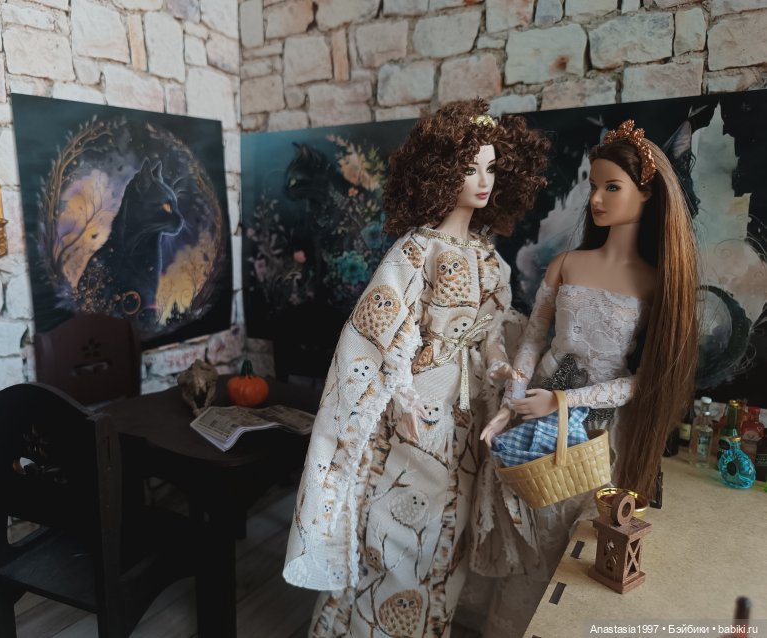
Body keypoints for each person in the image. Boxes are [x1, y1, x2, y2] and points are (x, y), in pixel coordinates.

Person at [281, 98, 550, 637]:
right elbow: (376, 331)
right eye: (470, 167)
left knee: (445, 540)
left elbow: (490, 331)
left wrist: (499, 365)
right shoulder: (416, 250)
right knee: (396, 534)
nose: (483, 181)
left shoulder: (488, 257)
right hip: (419, 410)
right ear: (441, 170)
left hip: (466, 418)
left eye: (491, 168)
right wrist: (402, 397)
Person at [479, 119, 698, 635]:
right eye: (594, 186)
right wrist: (511, 404)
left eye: (612, 187)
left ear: (646, 194)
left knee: (576, 547)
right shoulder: (567, 264)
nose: (596, 199)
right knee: (531, 529)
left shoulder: (657, 282)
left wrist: (564, 403)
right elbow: (533, 340)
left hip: (599, 431)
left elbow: (644, 381)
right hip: (536, 420)